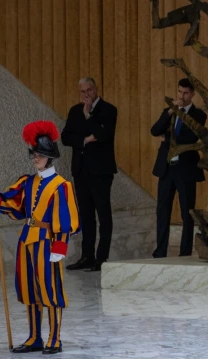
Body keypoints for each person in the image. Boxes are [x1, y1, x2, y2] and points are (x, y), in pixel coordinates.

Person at [0, 121, 80, 354]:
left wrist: (60, 246)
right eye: (34, 154)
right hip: (27, 240)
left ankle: (54, 338)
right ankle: (34, 337)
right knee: (30, 290)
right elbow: (15, 204)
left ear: (50, 157)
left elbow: (66, 219)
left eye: (39, 154)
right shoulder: (28, 182)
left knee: (50, 290)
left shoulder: (61, 186)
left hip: (48, 243)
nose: (35, 158)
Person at [61, 77, 117, 272]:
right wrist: (84, 140)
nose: (86, 95)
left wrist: (89, 117)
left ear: (96, 89)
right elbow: (65, 137)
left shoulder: (108, 110)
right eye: (82, 92)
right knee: (85, 215)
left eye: (89, 90)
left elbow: (103, 136)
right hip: (81, 169)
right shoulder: (75, 111)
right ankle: (87, 256)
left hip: (101, 171)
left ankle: (101, 258)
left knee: (103, 214)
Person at [150, 78, 207, 258]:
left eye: (186, 93)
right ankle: (160, 251)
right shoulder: (170, 112)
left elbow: (190, 138)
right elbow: (154, 130)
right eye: (179, 92)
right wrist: (169, 112)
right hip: (167, 168)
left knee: (186, 213)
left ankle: (185, 253)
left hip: (186, 169)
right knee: (162, 211)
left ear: (192, 94)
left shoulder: (198, 115)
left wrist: (166, 138)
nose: (182, 96)